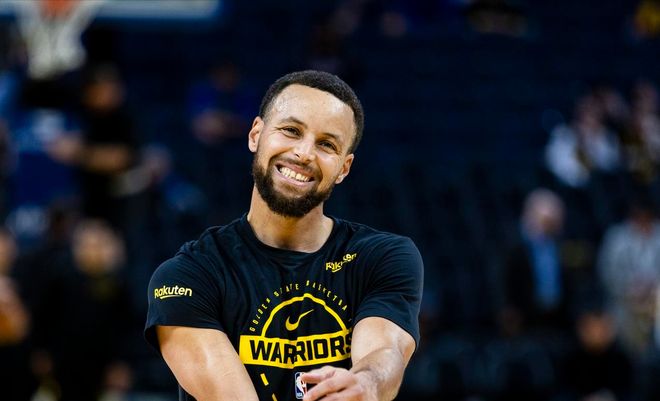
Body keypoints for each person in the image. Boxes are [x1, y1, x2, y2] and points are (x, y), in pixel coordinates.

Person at [145, 70, 424, 401]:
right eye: (291, 131)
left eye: (327, 144)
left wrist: (366, 384)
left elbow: (384, 352)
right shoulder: (191, 274)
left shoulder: (382, 257)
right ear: (255, 135)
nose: (304, 153)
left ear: (344, 168)